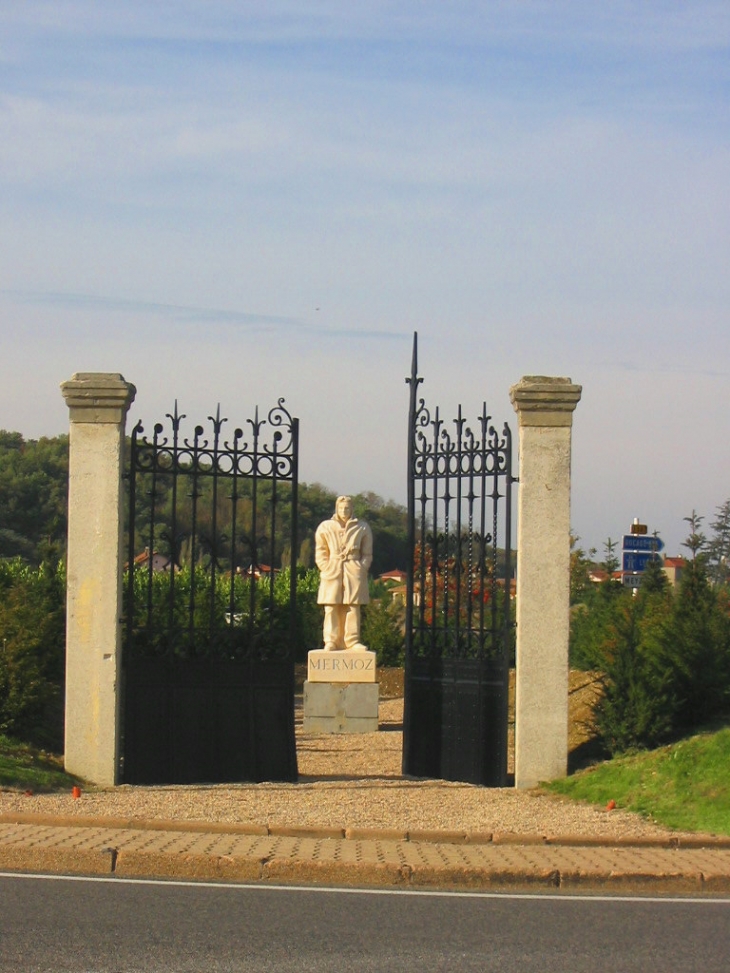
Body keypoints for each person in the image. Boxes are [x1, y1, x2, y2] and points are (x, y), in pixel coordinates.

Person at [315, 496, 373, 651]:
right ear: (336, 508)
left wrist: (361, 567)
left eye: (347, 508)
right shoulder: (325, 527)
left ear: (352, 508)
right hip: (332, 569)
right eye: (341, 508)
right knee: (331, 607)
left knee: (353, 607)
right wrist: (325, 566)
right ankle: (331, 641)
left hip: (353, 569)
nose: (344, 511)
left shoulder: (362, 527)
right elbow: (320, 551)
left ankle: (352, 640)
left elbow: (367, 554)